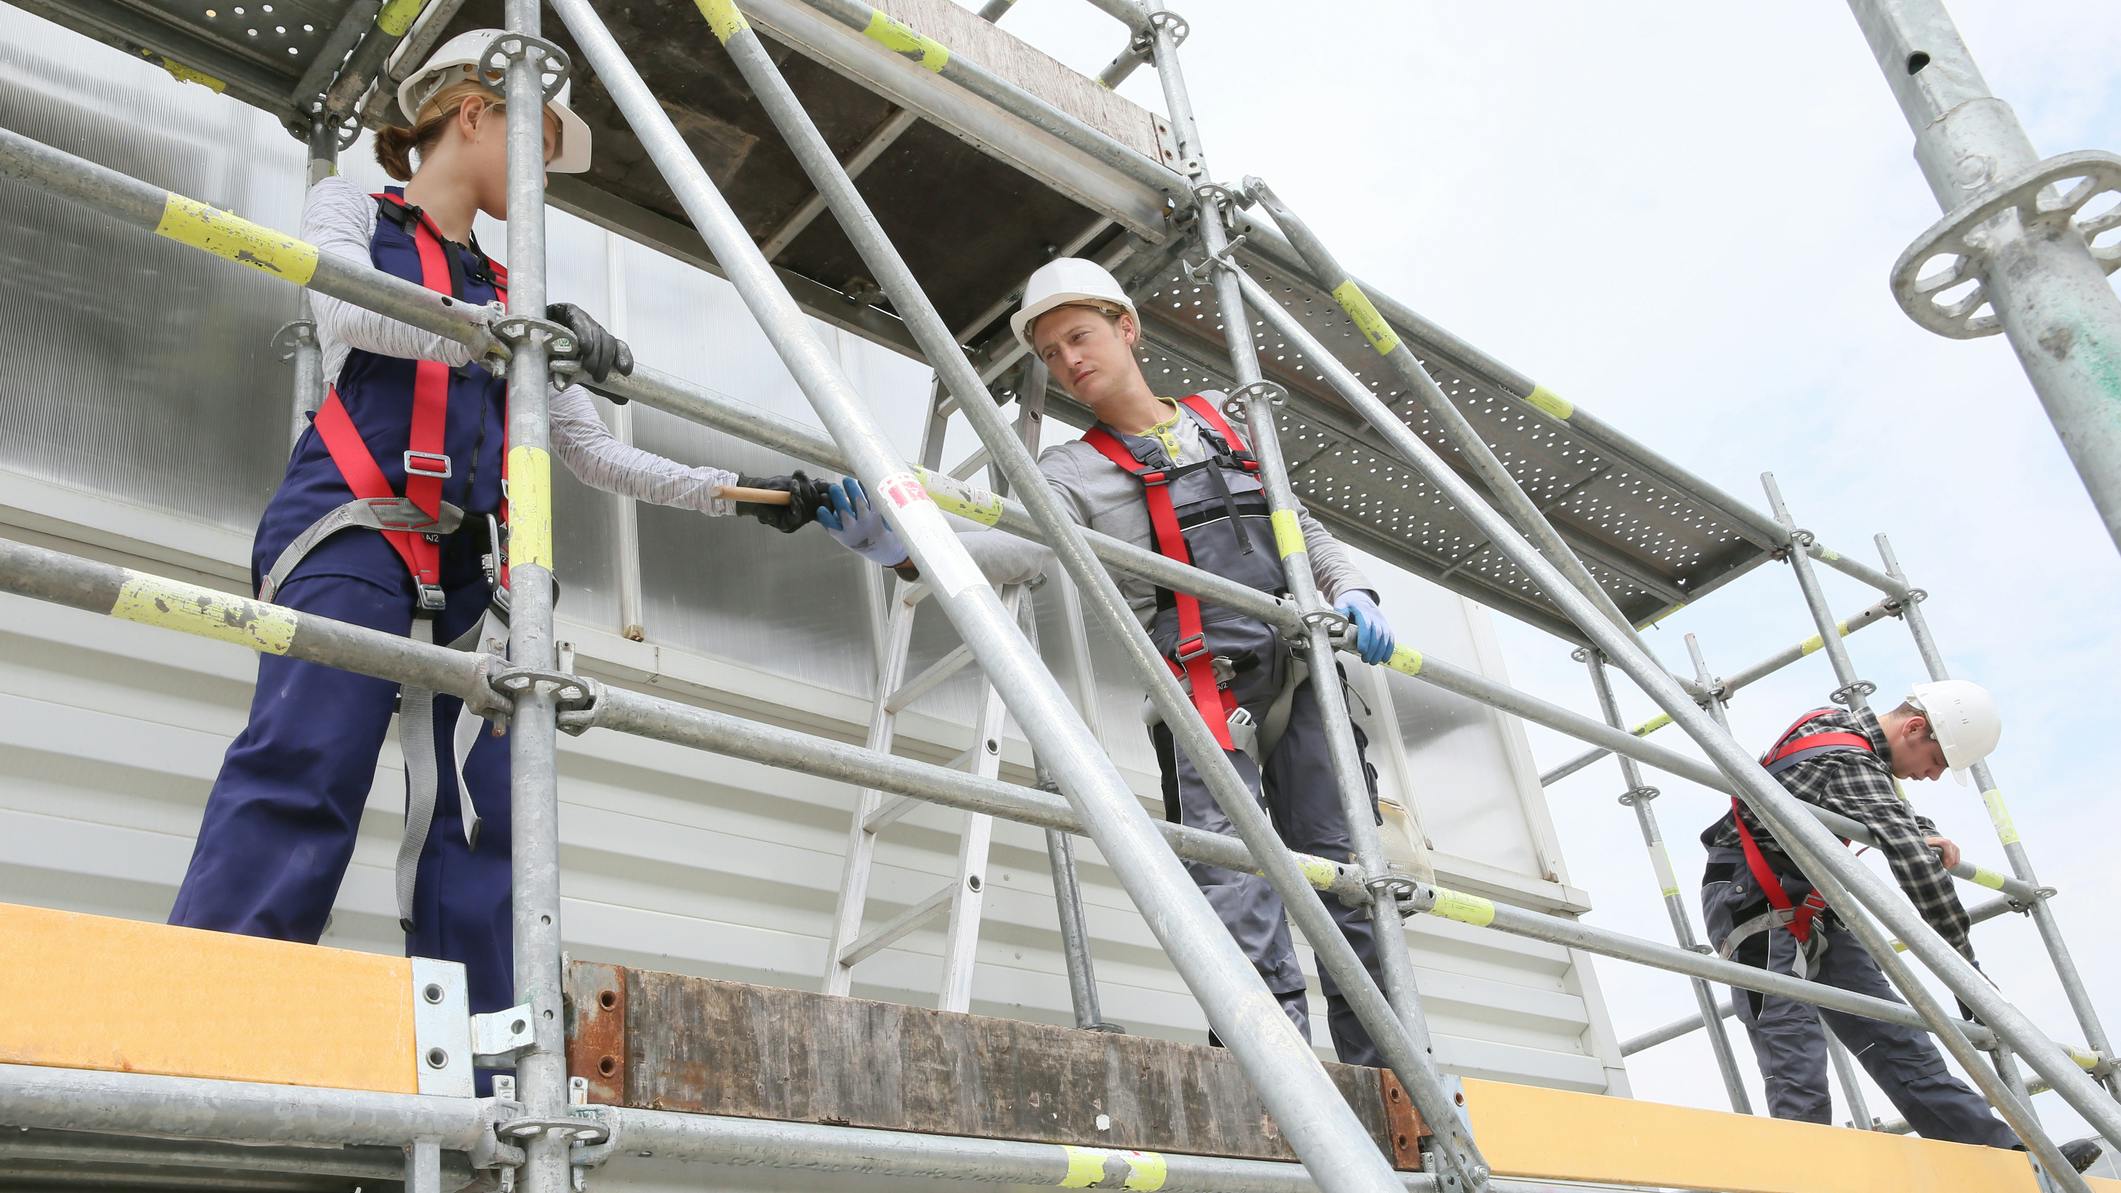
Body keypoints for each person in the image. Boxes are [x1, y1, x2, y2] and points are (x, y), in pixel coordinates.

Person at [168, 30, 819, 1038]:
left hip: (476, 572)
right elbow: (350, 309)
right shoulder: (353, 208)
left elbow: (595, 455)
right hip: (351, 529)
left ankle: (475, 1065)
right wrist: (510, 331)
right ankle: (198, 1023)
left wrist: (749, 493)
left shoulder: (519, 294)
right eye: (538, 138)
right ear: (472, 112)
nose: (543, 175)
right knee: (308, 758)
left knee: (484, 814)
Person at [815, 258, 1399, 1063]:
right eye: (1050, 353)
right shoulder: (1070, 471)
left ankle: (1395, 1081)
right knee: (1236, 888)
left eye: (1078, 337)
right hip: (1199, 686)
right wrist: (903, 551)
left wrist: (1354, 592)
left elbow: (1299, 526)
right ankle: (1272, 1074)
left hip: (1304, 677)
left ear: (1125, 328)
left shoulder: (1229, 422)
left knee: (1347, 879)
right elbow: (1017, 550)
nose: (1068, 361)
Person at [1698, 681, 2100, 1172]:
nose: (1931, 776)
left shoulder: (1840, 736)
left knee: (1897, 1036)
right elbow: (1918, 873)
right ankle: (1806, 1175)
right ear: (1913, 728)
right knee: (1794, 1047)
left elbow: (1880, 804)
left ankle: (2008, 1163)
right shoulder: (1849, 760)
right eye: (1935, 763)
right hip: (1752, 898)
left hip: (1812, 900)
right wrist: (1966, 976)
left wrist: (1920, 826)